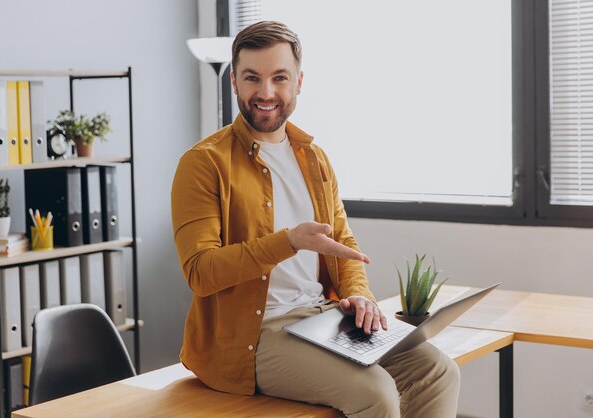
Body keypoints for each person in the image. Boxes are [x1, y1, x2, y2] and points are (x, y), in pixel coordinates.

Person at [171, 20, 460, 418]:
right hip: (252, 337)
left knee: (437, 369)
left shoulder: (313, 157)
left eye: (279, 78)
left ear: (299, 82)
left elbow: (342, 242)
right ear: (234, 82)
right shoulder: (203, 164)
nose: (266, 92)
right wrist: (288, 242)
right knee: (375, 393)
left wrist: (360, 295)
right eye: (252, 78)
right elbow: (200, 272)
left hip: (321, 318)